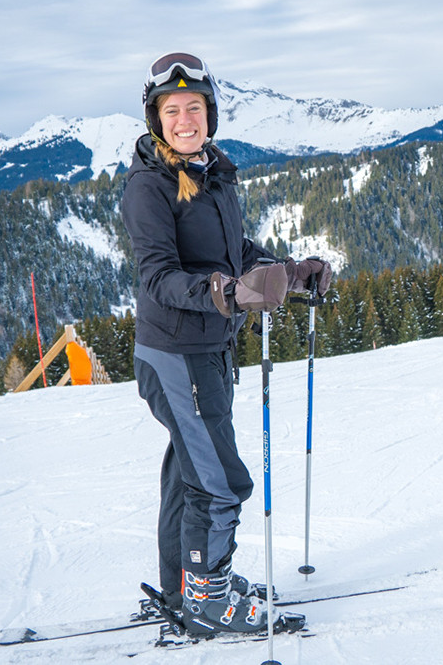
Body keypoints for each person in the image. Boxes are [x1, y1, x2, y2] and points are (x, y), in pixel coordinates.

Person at [121, 52, 331, 637]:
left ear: (208, 114)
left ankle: (185, 584)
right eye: (172, 110)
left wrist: (290, 272)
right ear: (156, 119)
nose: (184, 119)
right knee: (219, 480)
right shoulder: (149, 186)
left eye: (194, 107)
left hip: (207, 348)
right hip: (175, 352)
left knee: (191, 471)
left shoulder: (214, 173)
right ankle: (208, 598)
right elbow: (158, 278)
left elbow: (237, 255)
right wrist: (224, 293)